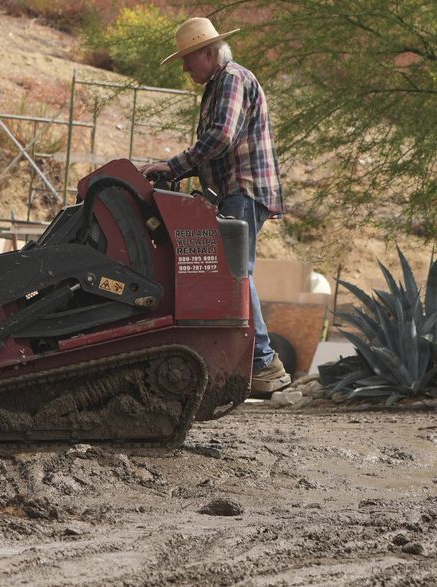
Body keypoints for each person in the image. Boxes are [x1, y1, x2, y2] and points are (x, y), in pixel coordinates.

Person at [139, 17, 291, 393]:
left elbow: (222, 137)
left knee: (237, 272)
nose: (186, 67)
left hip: (244, 189)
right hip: (234, 190)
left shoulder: (232, 79)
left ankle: (263, 362)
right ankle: (258, 360)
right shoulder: (218, 85)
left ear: (209, 53)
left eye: (189, 59)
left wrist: (172, 165)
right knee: (235, 270)